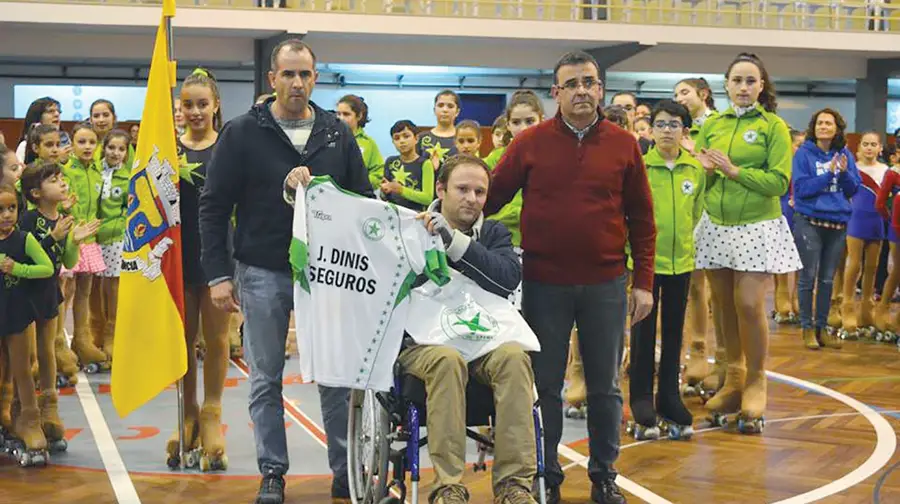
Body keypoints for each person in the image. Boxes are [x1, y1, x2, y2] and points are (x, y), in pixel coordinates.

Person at [199, 38, 373, 504]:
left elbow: (364, 201)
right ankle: (272, 471)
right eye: (288, 74)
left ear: (315, 79)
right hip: (261, 271)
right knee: (265, 377)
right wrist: (218, 274)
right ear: (272, 78)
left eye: (306, 75)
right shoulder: (241, 132)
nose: (297, 83)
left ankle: (345, 471)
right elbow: (214, 207)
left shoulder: (337, 134)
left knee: (336, 375)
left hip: (329, 275)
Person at [485, 50, 656, 504]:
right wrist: (446, 217)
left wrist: (644, 282)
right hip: (543, 284)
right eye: (572, 83)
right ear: (555, 93)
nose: (582, 90)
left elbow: (642, 218)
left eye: (589, 82)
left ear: (599, 89)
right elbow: (491, 197)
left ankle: (604, 476)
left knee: (603, 388)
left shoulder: (624, 145)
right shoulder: (529, 143)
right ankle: (547, 477)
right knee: (544, 387)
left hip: (606, 285)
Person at [399, 154, 536, 504]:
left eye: (480, 191)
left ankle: (514, 486)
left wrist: (455, 244)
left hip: (483, 341)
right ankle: (448, 487)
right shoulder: (408, 227)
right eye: (462, 189)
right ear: (440, 189)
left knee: (515, 357)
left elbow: (506, 280)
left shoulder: (493, 232)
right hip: (424, 344)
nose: (472, 199)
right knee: (446, 360)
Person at [693, 52, 801, 434]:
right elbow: (699, 179)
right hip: (716, 224)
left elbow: (778, 182)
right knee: (721, 304)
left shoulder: (773, 127)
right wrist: (703, 172)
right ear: (726, 85)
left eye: (750, 81)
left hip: (757, 225)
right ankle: (733, 377)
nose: (743, 87)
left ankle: (757, 379)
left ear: (761, 86)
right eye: (737, 80)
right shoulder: (713, 126)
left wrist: (734, 171)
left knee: (749, 304)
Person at [165, 68, 232, 471]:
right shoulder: (168, 150)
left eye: (201, 104)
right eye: (187, 104)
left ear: (216, 106)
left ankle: (212, 412)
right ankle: (186, 412)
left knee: (217, 339)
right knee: (182, 340)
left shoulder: (227, 147)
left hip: (217, 254)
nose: (194, 111)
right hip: (178, 255)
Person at [626, 100, 704, 441]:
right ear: (651, 129)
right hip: (645, 264)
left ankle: (669, 396)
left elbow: (696, 213)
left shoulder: (695, 170)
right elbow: (629, 216)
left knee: (673, 332)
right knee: (643, 334)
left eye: (674, 124)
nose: (667, 130)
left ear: (685, 131)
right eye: (661, 124)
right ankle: (641, 397)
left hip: (681, 263)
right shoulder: (640, 168)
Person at [19, 162, 99, 453]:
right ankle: (22, 410)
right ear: (36, 193)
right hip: (25, 294)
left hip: (50, 292)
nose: (63, 183)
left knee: (48, 350)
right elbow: (26, 256)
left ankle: (50, 409)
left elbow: (66, 261)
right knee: (26, 355)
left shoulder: (63, 218)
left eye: (62, 178)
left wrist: (73, 241)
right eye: (54, 180)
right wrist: (52, 237)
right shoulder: (28, 220)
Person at [792, 109, 859, 350]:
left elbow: (853, 189)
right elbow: (801, 189)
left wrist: (842, 174)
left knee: (828, 279)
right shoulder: (803, 155)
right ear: (814, 127)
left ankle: (822, 328)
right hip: (809, 221)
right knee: (808, 278)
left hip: (837, 223)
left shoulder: (845, 154)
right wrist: (828, 174)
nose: (823, 126)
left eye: (828, 123)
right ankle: (807, 328)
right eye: (819, 122)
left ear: (837, 128)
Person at [0, 182, 55, 466]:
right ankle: (4, 418)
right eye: (1, 209)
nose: (7, 215)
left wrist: (17, 268)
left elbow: (46, 267)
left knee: (21, 369)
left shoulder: (24, 239)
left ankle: (30, 420)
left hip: (17, 314)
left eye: (12, 208)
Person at [839, 132, 888, 338]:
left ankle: (868, 309)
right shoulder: (852, 167)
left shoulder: (886, 170)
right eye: (866, 144)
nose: (869, 148)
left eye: (873, 144)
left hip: (877, 220)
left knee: (872, 267)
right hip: (856, 219)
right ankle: (847, 306)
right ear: (859, 147)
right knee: (854, 263)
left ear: (880, 148)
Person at [381, 120, 434, 211]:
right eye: (397, 138)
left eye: (406, 136)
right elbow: (384, 195)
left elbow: (428, 198)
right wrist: (384, 191)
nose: (402, 141)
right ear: (393, 142)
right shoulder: (390, 162)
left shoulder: (425, 164)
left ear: (416, 138)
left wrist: (401, 190)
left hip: (415, 216)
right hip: (393, 213)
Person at [336, 94, 384, 191]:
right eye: (338, 114)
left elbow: (378, 174)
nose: (341, 118)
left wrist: (360, 184)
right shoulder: (329, 139)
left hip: (358, 197)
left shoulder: (369, 143)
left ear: (359, 116)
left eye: (346, 114)